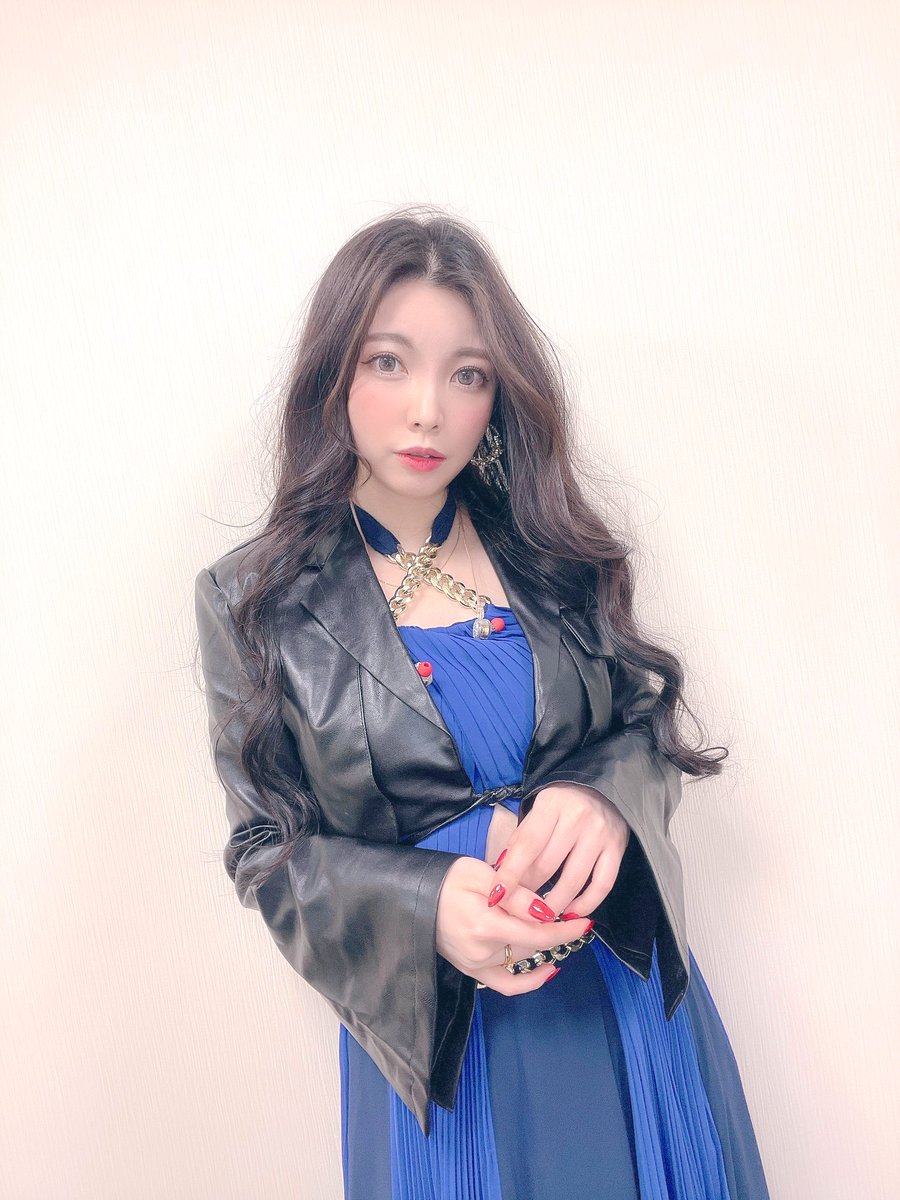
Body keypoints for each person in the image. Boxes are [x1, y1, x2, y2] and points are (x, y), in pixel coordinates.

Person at [194, 206, 770, 1199]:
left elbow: (642, 728)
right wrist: (425, 906)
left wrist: (602, 800)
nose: (428, 410)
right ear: (333, 375)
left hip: (621, 996)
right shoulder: (255, 600)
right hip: (444, 1038)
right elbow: (264, 850)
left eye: (467, 374)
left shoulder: (554, 552)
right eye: (388, 363)